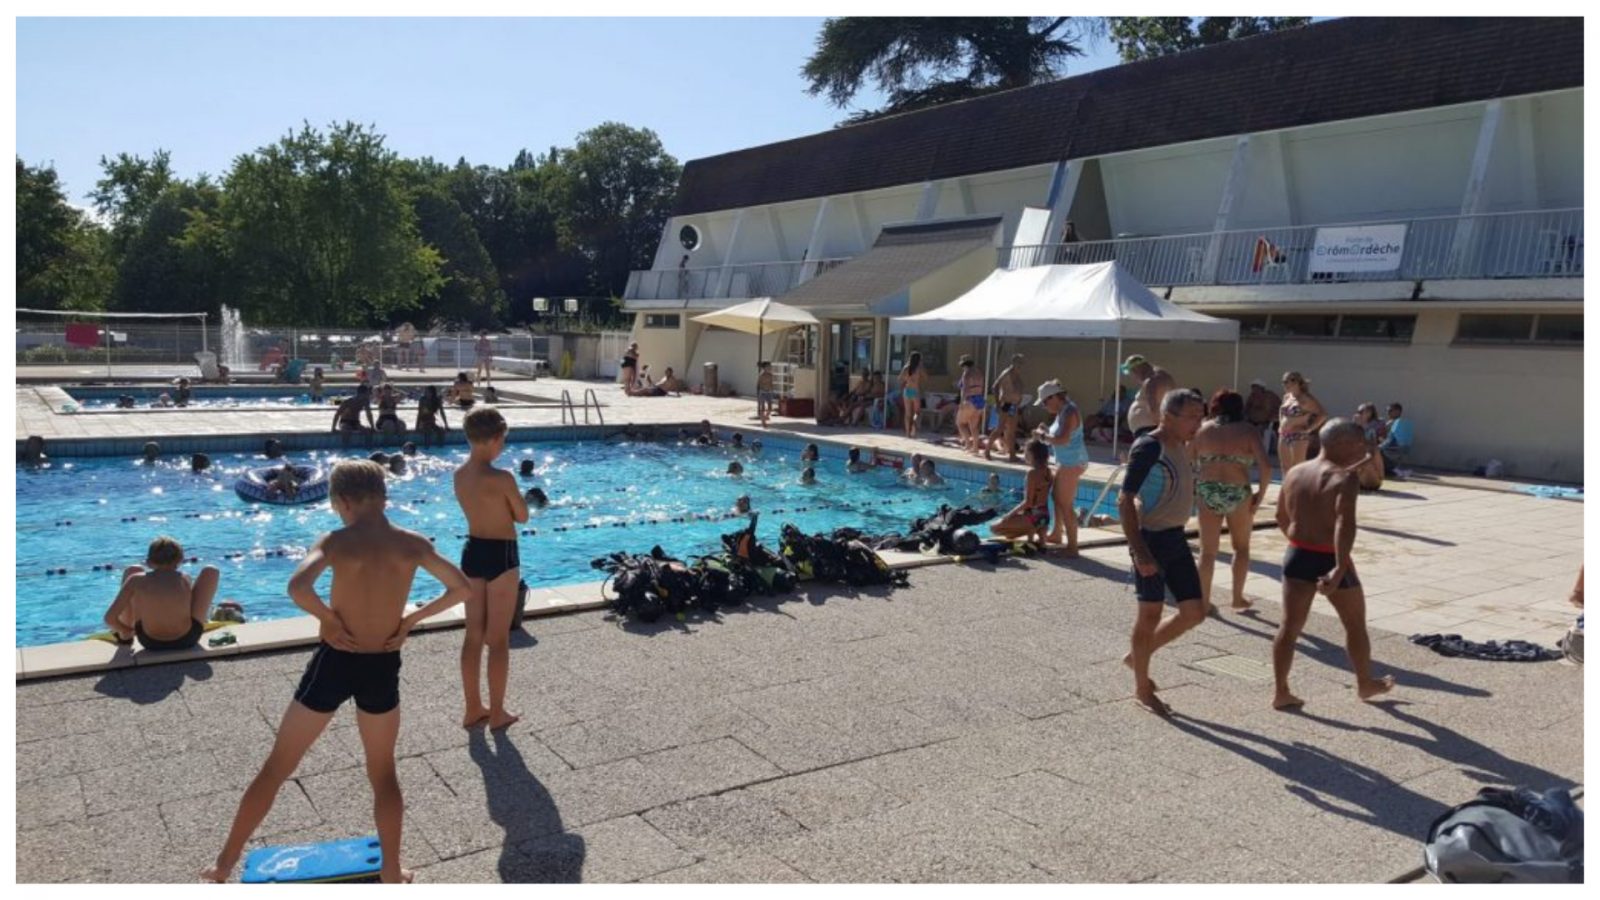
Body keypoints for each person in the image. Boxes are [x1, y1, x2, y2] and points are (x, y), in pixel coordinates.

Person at [201, 460, 469, 884]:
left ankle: (222, 866)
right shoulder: (413, 543)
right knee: (383, 772)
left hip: (335, 659)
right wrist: (409, 622)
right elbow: (462, 588)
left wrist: (327, 618)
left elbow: (297, 588)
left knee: (277, 767)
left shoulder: (336, 540)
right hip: (382, 660)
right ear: (383, 496)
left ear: (341, 501)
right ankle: (393, 873)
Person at [1272, 419, 1397, 710]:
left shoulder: (1295, 472)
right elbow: (1345, 523)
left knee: (1289, 627)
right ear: (1341, 444)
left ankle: (1281, 692)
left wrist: (1298, 541)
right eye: (1358, 443)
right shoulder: (1345, 479)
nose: (1362, 448)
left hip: (1298, 553)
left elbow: (1280, 515)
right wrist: (1339, 567)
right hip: (1330, 557)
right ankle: (1365, 683)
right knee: (1355, 625)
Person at [1119, 389, 1206, 716]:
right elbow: (1124, 500)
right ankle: (1142, 688)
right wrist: (1140, 553)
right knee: (1149, 616)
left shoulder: (1181, 445)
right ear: (1168, 417)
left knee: (1194, 612)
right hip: (1150, 541)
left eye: (1201, 416)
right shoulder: (1149, 446)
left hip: (1175, 539)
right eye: (1192, 417)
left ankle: (1137, 656)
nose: (1198, 423)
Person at [453, 407, 529, 731]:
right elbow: (522, 516)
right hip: (501, 555)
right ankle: (497, 712)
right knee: (497, 639)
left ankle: (473, 708)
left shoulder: (459, 475)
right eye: (503, 442)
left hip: (472, 553)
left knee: (473, 635)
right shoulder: (502, 478)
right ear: (496, 439)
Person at [1192, 390, 1272, 614]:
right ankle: (1237, 598)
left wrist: (1193, 488)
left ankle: (1204, 601)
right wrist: (1259, 496)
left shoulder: (1203, 430)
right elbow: (1266, 467)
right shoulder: (1248, 431)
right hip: (1238, 491)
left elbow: (1186, 460)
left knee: (1207, 552)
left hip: (1208, 490)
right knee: (1241, 548)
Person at [102, 536, 219, 651]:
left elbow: (109, 618)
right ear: (180, 561)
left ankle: (125, 637)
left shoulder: (135, 580)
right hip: (187, 639)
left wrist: (126, 630)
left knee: (133, 571)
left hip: (149, 641)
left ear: (148, 562)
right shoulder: (184, 579)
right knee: (211, 571)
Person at [1033, 379, 1088, 554]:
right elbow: (1061, 435)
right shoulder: (1063, 410)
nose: (1043, 406)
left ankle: (1072, 547)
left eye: (1044, 402)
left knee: (1065, 504)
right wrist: (1046, 431)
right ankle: (1057, 533)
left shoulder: (1070, 412)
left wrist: (1042, 437)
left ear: (1054, 397)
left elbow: (1063, 440)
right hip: (1067, 461)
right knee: (1056, 497)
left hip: (1073, 463)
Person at [990, 439, 1053, 543]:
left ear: (1032, 454)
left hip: (1032, 518)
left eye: (1025, 452)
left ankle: (1031, 530)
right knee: (1010, 535)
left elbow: (1028, 502)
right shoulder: (1048, 471)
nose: (1024, 454)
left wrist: (1009, 515)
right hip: (1045, 518)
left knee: (994, 528)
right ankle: (1039, 533)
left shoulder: (1032, 473)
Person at [1278, 371, 1328, 472]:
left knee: (1297, 467)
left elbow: (1322, 414)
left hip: (1298, 436)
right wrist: (1281, 424)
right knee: (1284, 466)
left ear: (1297, 383)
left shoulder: (1306, 399)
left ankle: (1299, 487)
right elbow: (1281, 411)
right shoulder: (1287, 397)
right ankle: (1286, 487)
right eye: (1284, 381)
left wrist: (1309, 429)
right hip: (1284, 434)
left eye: (1289, 381)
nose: (1286, 384)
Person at [1122, 355, 1176, 438]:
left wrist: (1161, 430)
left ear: (1137, 369)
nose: (1133, 377)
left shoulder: (1153, 380)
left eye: (1131, 372)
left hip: (1149, 429)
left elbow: (1154, 407)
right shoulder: (1158, 377)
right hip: (1149, 428)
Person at [954, 355, 987, 456]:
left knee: (960, 423)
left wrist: (961, 403)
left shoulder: (967, 373)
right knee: (974, 426)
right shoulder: (979, 373)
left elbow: (964, 389)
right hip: (979, 400)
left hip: (970, 400)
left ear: (964, 365)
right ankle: (975, 448)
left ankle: (968, 444)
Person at [1350, 403, 1387, 491]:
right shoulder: (1356, 433)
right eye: (1359, 412)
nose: (1359, 414)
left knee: (1363, 462)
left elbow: (1369, 457)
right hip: (1362, 478)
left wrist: (1349, 468)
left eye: (1362, 412)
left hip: (1373, 480)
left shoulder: (1371, 436)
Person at [332, 383, 375, 448]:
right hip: (345, 421)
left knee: (368, 431)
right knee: (346, 431)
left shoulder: (365, 401)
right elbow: (337, 414)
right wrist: (333, 428)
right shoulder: (348, 401)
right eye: (367, 394)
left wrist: (372, 426)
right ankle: (345, 449)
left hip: (355, 422)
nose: (368, 395)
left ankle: (368, 448)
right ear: (362, 394)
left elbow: (369, 414)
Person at [1245, 379, 1281, 455]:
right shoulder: (1252, 396)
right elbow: (1247, 408)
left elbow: (1278, 409)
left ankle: (1260, 451)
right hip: (1252, 421)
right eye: (1252, 387)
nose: (1253, 389)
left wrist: (1271, 419)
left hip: (1268, 422)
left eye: (1255, 387)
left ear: (1261, 388)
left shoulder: (1270, 396)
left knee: (1260, 431)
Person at [1379, 402, 1414, 478]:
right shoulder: (1405, 423)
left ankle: (1388, 470)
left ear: (1397, 411)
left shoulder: (1394, 423)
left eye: (1390, 411)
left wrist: (1379, 445)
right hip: (1401, 449)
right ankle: (1393, 470)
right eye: (1387, 411)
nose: (1388, 413)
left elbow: (1389, 440)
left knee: (1375, 450)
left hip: (1393, 448)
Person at [899, 351, 927, 440]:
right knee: (917, 412)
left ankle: (907, 433)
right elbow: (926, 377)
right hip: (915, 391)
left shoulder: (906, 368)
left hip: (907, 390)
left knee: (907, 413)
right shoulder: (919, 368)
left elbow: (900, 378)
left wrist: (907, 380)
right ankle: (914, 429)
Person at [756, 361, 776, 428]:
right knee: (763, 407)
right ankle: (763, 422)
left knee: (770, 408)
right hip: (762, 392)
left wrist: (772, 390)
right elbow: (758, 384)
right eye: (768, 367)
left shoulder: (770, 375)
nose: (769, 368)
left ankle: (766, 416)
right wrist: (759, 392)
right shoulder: (761, 375)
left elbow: (771, 383)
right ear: (764, 368)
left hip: (769, 392)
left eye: (770, 367)